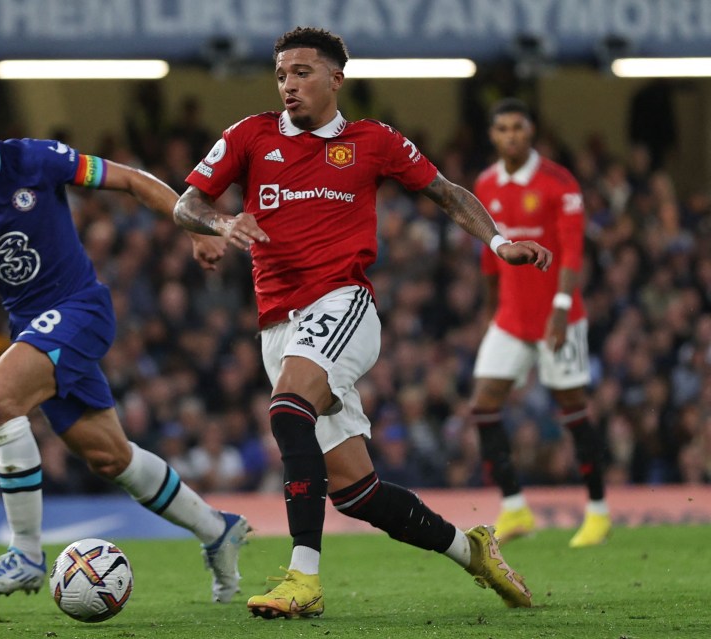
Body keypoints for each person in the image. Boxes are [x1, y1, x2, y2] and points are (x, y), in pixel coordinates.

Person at [173, 27, 550, 619]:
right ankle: (472, 551)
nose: (288, 85)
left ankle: (304, 578)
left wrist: (499, 243)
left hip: (343, 305)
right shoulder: (250, 135)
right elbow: (185, 204)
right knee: (357, 493)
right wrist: (220, 226)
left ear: (335, 78)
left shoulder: (373, 141)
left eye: (301, 72)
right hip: (278, 324)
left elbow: (447, 193)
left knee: (287, 408)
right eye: (280, 75)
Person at [0, 79, 249, 603]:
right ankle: (218, 529)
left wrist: (196, 229)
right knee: (112, 458)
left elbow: (129, 180)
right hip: (33, 329)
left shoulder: (37, 160)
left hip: (81, 309)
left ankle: (26, 553)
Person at [469, 98, 611, 547]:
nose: (511, 135)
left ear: (531, 131)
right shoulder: (486, 184)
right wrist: (489, 310)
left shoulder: (558, 182)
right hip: (510, 318)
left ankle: (598, 511)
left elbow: (572, 251)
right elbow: (489, 255)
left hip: (558, 316)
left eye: (518, 127)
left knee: (573, 406)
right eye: (502, 128)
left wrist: (563, 308)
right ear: (493, 135)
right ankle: (514, 508)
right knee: (483, 405)